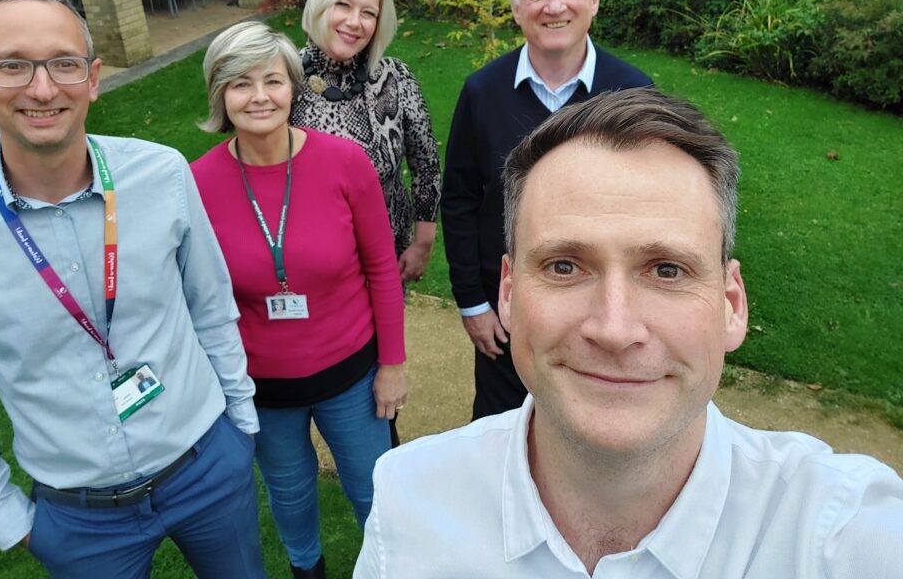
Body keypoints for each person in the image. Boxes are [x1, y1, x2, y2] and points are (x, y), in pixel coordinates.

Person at [355, 88, 903, 578]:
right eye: (565, 266)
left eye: (667, 270)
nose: (614, 330)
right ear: (509, 292)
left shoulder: (845, 536)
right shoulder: (409, 503)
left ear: (732, 305)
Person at [0, 0, 265, 578]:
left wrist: (241, 428)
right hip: (80, 519)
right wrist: (8, 518)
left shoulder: (161, 174)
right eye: (13, 65)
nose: (43, 88)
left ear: (92, 78)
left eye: (63, 63)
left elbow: (212, 308)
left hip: (206, 467)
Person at [191, 21, 406, 579]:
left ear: (293, 86)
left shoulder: (344, 162)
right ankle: (307, 570)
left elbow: (382, 268)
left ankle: (389, 568)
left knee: (375, 491)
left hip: (353, 377)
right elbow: (195, 298)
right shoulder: (195, 184)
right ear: (220, 94)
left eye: (272, 80)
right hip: (262, 387)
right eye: (240, 84)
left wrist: (392, 364)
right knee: (288, 494)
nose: (259, 96)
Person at [442, 0, 652, 419]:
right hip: (509, 310)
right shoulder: (482, 91)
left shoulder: (634, 92)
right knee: (500, 430)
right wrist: (472, 303)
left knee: (592, 424)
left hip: (599, 310)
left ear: (595, 1)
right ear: (517, 9)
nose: (554, 6)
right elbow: (459, 199)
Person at [291, 0, 441, 285]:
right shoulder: (283, 79)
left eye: (368, 13)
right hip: (307, 263)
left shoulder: (395, 78)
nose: (355, 22)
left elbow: (426, 165)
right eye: (343, 5)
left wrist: (423, 243)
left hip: (386, 258)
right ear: (319, 5)